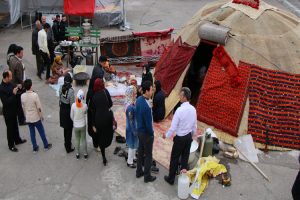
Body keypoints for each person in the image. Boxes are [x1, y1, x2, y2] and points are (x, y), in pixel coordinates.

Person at [163, 87, 197, 185]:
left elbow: (173, 127)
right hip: (188, 137)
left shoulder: (179, 110)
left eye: (181, 95)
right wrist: (193, 135)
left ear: (185, 97)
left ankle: (171, 178)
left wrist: (166, 135)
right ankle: (183, 179)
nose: (179, 97)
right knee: (184, 159)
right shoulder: (193, 109)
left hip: (180, 138)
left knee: (174, 158)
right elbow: (194, 125)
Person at [21, 79, 52, 153]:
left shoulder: (22, 96)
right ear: (31, 86)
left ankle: (35, 147)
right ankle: (46, 145)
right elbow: (39, 108)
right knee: (41, 131)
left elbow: (23, 107)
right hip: (36, 117)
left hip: (28, 117)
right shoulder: (34, 95)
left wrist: (26, 116)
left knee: (32, 133)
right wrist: (41, 116)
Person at [0, 70, 27, 152]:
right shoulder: (1, 88)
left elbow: (16, 90)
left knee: (15, 126)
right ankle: (11, 145)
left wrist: (20, 88)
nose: (12, 78)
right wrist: (13, 94)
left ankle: (17, 140)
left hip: (14, 109)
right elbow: (5, 102)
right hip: (8, 112)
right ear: (6, 77)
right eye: (10, 76)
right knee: (10, 128)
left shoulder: (10, 83)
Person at [136, 80, 157, 183]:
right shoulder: (146, 107)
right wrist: (152, 134)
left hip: (139, 131)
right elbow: (149, 125)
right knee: (148, 155)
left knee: (140, 152)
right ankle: (147, 176)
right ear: (147, 91)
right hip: (146, 133)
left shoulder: (139, 99)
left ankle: (139, 171)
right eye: (151, 89)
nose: (152, 91)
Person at [90, 78, 114, 166]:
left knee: (100, 137)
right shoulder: (105, 92)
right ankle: (107, 144)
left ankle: (103, 157)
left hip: (98, 120)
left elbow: (93, 111)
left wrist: (93, 124)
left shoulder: (94, 96)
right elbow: (111, 104)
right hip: (107, 117)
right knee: (108, 133)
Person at [86, 56, 106, 151]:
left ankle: (96, 144)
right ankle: (97, 144)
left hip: (92, 112)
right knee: (96, 127)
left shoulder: (91, 92)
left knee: (93, 126)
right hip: (96, 114)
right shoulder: (99, 94)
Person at [8, 45, 26, 125]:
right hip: (18, 85)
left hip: (13, 83)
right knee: (19, 104)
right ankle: (21, 120)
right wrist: (23, 85)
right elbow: (19, 77)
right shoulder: (18, 63)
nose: (23, 54)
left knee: (17, 103)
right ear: (18, 53)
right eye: (22, 53)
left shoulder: (11, 58)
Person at [59, 73, 75, 153]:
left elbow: (60, 98)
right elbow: (72, 105)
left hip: (62, 109)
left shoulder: (61, 87)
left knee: (65, 129)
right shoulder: (71, 91)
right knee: (69, 130)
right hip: (68, 111)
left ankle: (66, 143)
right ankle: (68, 147)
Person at [70, 89, 88, 160]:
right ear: (83, 97)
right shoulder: (85, 106)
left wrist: (74, 121)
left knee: (77, 139)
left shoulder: (73, 105)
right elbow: (85, 113)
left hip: (76, 125)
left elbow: (71, 116)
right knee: (83, 139)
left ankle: (77, 154)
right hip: (83, 125)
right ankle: (85, 154)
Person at [125, 86, 138, 168]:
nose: (136, 95)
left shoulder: (132, 104)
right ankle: (129, 162)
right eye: (134, 94)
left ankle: (133, 157)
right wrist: (134, 131)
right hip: (131, 129)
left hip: (133, 127)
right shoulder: (130, 107)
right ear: (131, 95)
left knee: (134, 144)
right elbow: (130, 121)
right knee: (131, 145)